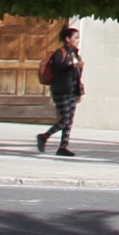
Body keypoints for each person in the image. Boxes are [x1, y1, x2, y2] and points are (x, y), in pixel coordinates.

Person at [37, 24, 86, 157]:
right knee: (65, 119)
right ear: (67, 39)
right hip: (61, 90)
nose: (78, 40)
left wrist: (79, 91)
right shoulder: (60, 53)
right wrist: (74, 66)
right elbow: (59, 68)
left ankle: (63, 146)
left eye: (78, 37)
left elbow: (77, 75)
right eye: (75, 37)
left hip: (72, 90)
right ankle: (44, 136)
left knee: (69, 120)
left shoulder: (75, 54)